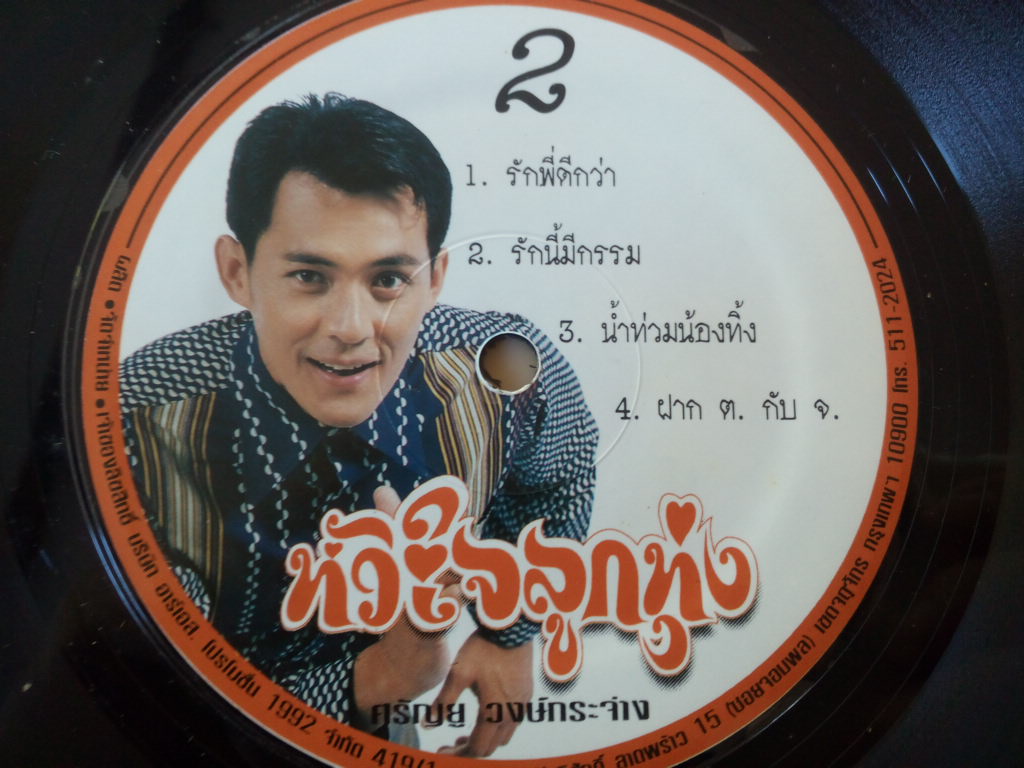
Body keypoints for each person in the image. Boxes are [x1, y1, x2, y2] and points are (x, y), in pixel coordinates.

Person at [119, 93, 598, 756]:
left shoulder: (508, 376)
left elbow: (556, 478)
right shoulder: (134, 430)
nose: (351, 328)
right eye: (309, 276)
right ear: (237, 272)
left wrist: (509, 634)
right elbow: (146, 710)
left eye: (389, 280)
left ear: (435, 279)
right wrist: (382, 678)